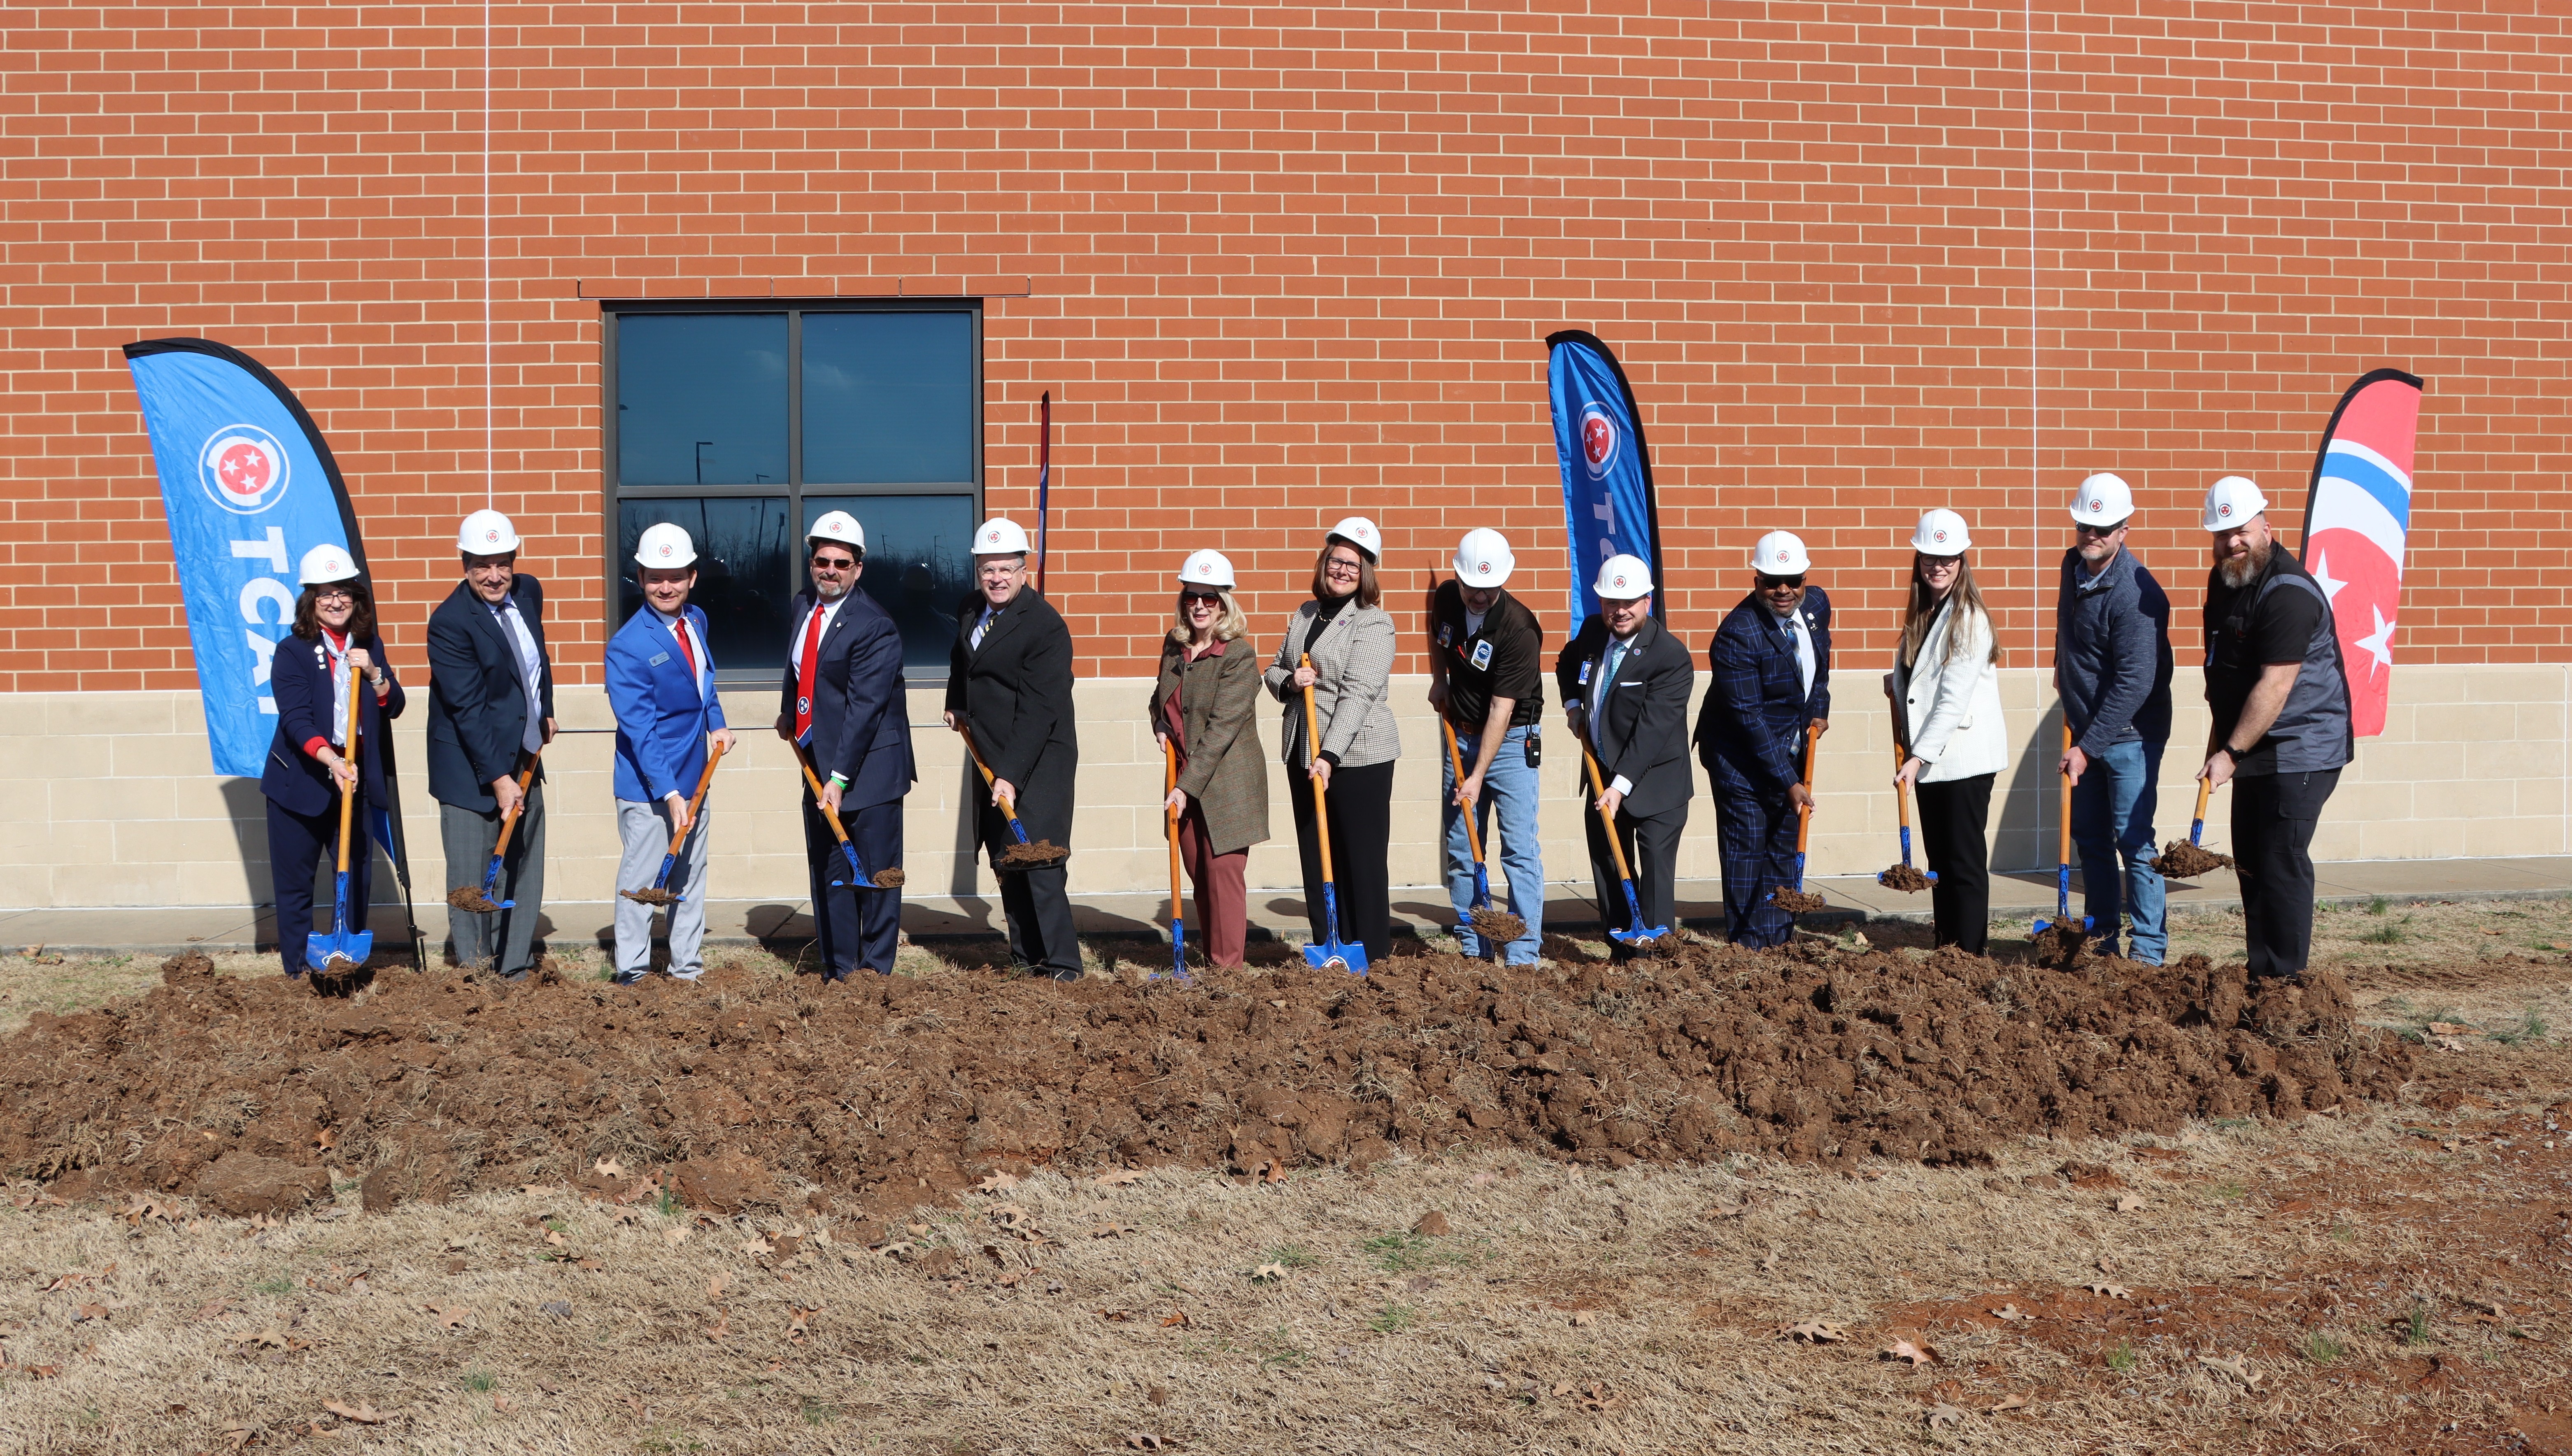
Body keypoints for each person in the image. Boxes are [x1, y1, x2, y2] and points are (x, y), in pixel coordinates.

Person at [2198, 476, 2353, 981]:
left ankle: (2286, 984)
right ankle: (2261, 973)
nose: (2232, 543)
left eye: (2241, 531)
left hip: (2301, 747)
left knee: (2280, 858)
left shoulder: (2288, 592)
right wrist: (2220, 743)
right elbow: (2224, 671)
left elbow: (2276, 684)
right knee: (2251, 860)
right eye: (2222, 535)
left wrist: (2231, 752)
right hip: (2252, 746)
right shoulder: (2224, 581)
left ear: (2267, 527)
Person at [776, 509, 914, 981]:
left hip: (869, 771)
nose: (829, 570)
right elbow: (799, 668)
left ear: (858, 568)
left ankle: (874, 976)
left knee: (875, 877)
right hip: (818, 762)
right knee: (831, 873)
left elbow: (865, 709)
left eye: (841, 562)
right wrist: (789, 713)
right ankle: (839, 971)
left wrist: (839, 778)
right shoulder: (803, 605)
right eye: (822, 561)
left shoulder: (874, 625)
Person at [944, 517, 1082, 979]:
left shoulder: (1045, 627)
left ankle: (1064, 965)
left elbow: (1041, 711)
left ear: (1025, 570)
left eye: (1006, 569)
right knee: (1008, 860)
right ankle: (1028, 961)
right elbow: (962, 658)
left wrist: (1011, 774)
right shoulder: (971, 608)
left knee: (1039, 861)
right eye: (988, 569)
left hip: (1037, 762)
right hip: (991, 754)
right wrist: (956, 703)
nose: (996, 578)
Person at [259, 544, 405, 977]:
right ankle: (299, 974)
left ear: (356, 597)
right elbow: (297, 721)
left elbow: (393, 705)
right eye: (325, 594)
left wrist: (376, 672)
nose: (336, 601)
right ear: (310, 600)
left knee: (357, 880)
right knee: (295, 887)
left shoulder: (369, 644)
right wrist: (331, 760)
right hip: (301, 782)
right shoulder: (293, 651)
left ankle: (346, 964)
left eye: (343, 591)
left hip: (353, 777)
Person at [425, 509, 556, 978]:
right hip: (468, 767)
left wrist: (546, 711)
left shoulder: (529, 592)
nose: (495, 575)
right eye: (482, 564)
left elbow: (535, 659)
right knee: (471, 876)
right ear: (465, 565)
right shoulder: (449, 624)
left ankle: (515, 968)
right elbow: (468, 709)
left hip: (524, 754)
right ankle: (476, 976)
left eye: (503, 562)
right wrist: (500, 781)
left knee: (524, 864)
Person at [1265, 516, 1399, 966]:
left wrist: (1329, 754)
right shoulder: (1305, 613)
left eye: (1353, 565)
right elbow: (1274, 669)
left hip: (1357, 755)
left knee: (1359, 861)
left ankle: (1372, 957)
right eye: (1336, 560)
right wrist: (1289, 681)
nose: (1342, 570)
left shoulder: (1374, 623)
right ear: (1325, 562)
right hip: (1303, 748)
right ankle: (1330, 950)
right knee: (1315, 855)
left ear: (1367, 574)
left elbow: (1359, 693)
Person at [606, 523, 735, 984]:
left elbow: (704, 684)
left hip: (695, 775)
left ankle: (686, 971)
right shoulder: (627, 646)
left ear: (692, 578)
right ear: (640, 579)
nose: (666, 586)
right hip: (649, 787)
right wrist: (670, 792)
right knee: (642, 885)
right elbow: (639, 730)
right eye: (656, 577)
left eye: (676, 576)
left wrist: (716, 722)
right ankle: (633, 975)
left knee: (688, 878)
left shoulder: (695, 621)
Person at [2055, 474, 2176, 964]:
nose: (2093, 535)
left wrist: (2088, 747)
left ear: (2124, 530)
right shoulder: (2072, 565)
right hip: (2086, 729)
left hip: (2131, 734)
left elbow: (2135, 683)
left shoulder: (2136, 594)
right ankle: (2102, 940)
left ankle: (2147, 951)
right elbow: (2071, 635)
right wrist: (2064, 680)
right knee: (2090, 838)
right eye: (2086, 524)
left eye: (2104, 528)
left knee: (2134, 839)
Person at [1694, 530, 1831, 948]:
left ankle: (1778, 940)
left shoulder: (1817, 605)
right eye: (1772, 581)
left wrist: (1819, 708)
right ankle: (1748, 950)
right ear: (1756, 581)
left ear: (1806, 578)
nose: (1783, 590)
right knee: (1749, 850)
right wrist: (1789, 783)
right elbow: (1749, 719)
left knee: (1783, 847)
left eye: (1793, 580)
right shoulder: (1738, 635)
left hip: (1788, 749)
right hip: (1739, 758)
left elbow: (1819, 665)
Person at [1558, 554, 1692, 957]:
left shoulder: (1670, 657)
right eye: (1611, 602)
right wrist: (1572, 707)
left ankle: (1653, 956)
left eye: (1628, 602)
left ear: (1647, 601)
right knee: (1608, 865)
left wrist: (1621, 785)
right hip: (1601, 772)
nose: (1619, 611)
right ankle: (1621, 950)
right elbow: (1567, 662)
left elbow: (1652, 732)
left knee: (1653, 877)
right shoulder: (1594, 631)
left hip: (1655, 784)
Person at [1886, 510, 2008, 953]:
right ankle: (1948, 949)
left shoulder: (1969, 616)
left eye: (1948, 558)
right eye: (1929, 558)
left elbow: (1953, 698)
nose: (1938, 567)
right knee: (1941, 863)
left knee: (1965, 863)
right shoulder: (1925, 611)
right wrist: (1896, 681)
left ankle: (1971, 954)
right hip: (1932, 760)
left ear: (1962, 561)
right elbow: (1924, 680)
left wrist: (1917, 758)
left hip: (1961, 759)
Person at [1426, 527, 1545, 964]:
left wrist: (1476, 776)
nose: (1479, 596)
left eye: (1489, 588)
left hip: (1512, 738)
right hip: (1459, 731)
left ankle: (1523, 953)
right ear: (1459, 580)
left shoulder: (1519, 628)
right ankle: (1476, 945)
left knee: (1518, 848)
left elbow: (1502, 709)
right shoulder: (1445, 599)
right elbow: (1436, 633)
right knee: (1461, 845)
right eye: (1472, 587)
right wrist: (1440, 680)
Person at [1148, 549, 1270, 970]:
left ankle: (1228, 970)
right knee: (1200, 874)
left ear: (1225, 603)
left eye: (1210, 597)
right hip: (1184, 777)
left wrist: (1184, 787)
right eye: (1192, 596)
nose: (1200, 605)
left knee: (1223, 878)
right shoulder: (1175, 646)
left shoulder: (1238, 656)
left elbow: (1222, 730)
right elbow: (1159, 700)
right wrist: (1159, 724)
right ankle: (1215, 958)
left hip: (1226, 783)